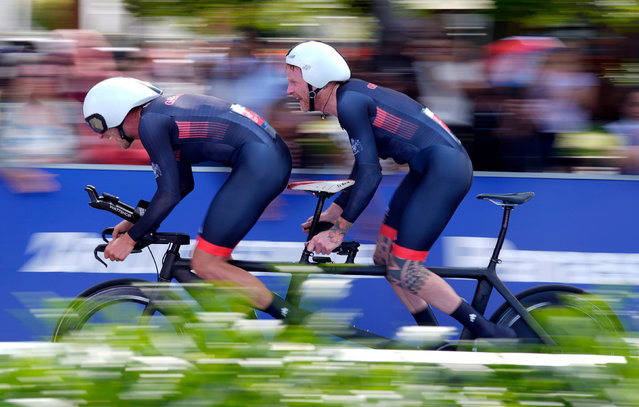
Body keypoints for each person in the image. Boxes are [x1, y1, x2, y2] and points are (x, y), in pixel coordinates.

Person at [285, 41, 515, 339]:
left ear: (316, 80)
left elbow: (371, 173)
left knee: (406, 266)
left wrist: (338, 231)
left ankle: (489, 332)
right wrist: (335, 210)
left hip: (444, 171)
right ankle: (434, 341)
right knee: (385, 259)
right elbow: (363, 164)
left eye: (293, 82)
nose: (289, 91)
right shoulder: (349, 98)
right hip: (428, 169)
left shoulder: (349, 103)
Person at [83, 76, 297, 319]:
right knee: (217, 266)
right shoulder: (159, 115)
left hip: (261, 164)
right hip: (265, 160)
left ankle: (299, 322)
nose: (102, 136)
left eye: (99, 126)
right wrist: (136, 220)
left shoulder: (151, 123)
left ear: (115, 111)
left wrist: (130, 239)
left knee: (206, 264)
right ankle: (243, 327)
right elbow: (181, 184)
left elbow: (170, 193)